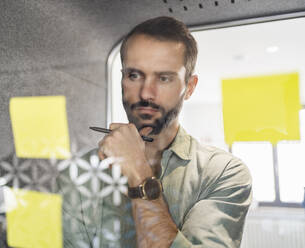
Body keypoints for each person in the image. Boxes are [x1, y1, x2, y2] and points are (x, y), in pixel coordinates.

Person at [97, 16, 252, 247]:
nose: (145, 93)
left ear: (189, 87)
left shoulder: (223, 172)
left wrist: (139, 173)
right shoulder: (87, 168)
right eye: (134, 75)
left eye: (164, 78)